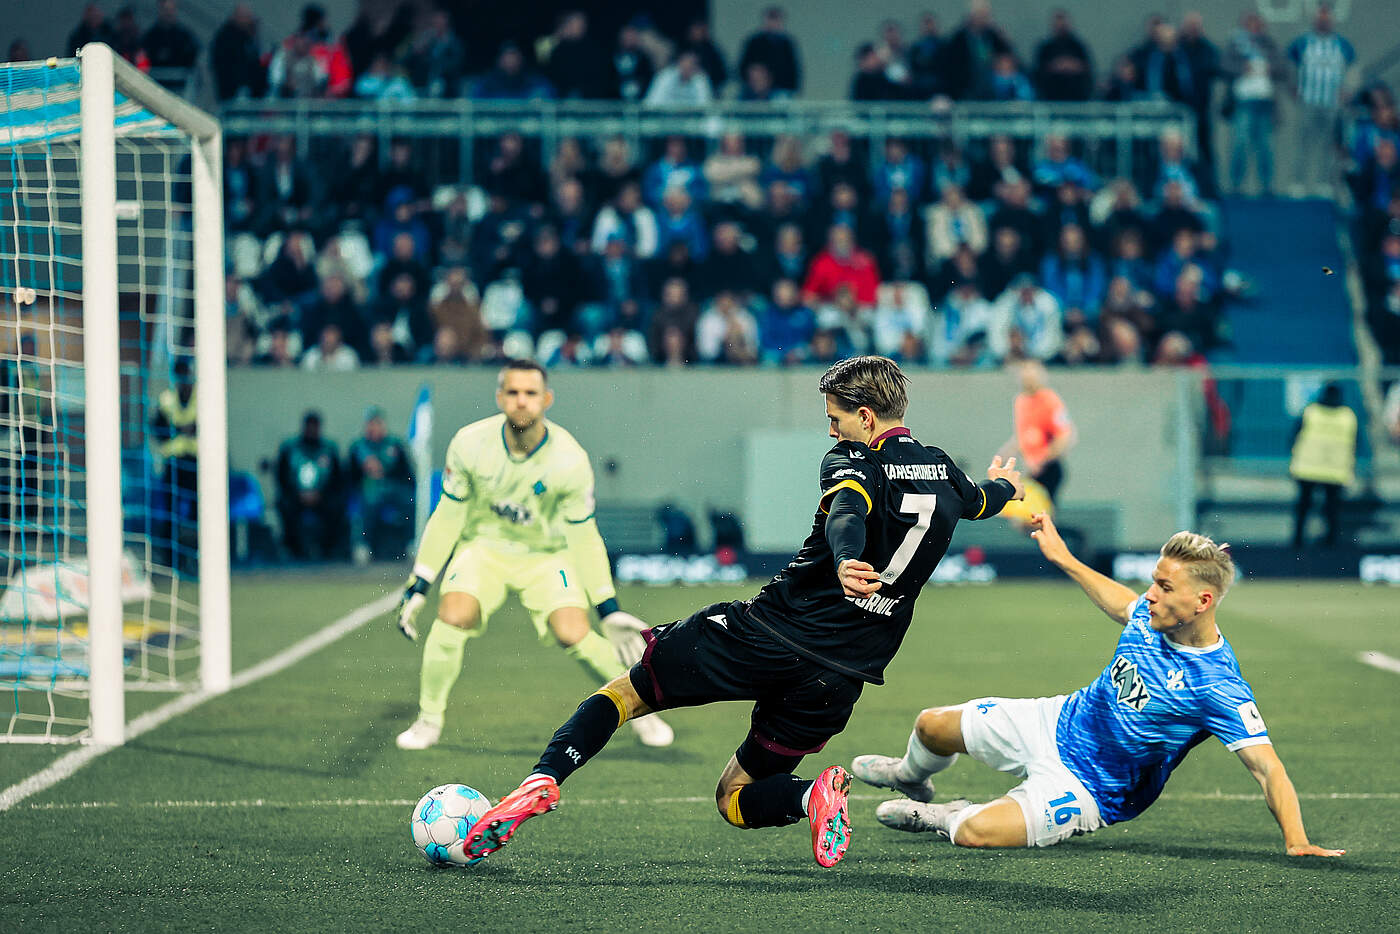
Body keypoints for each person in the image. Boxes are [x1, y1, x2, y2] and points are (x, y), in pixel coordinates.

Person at [458, 356, 1024, 868]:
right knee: (734, 796)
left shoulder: (853, 459)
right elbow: (981, 500)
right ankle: (810, 795)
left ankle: (544, 777)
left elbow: (847, 511)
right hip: (842, 675)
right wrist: (1006, 487)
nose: (831, 430)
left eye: (836, 418)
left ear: (866, 417)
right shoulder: (943, 470)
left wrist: (846, 558)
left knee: (626, 693)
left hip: (767, 635)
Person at [850, 514, 1345, 859]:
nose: (1150, 595)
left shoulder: (1217, 686)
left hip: (1091, 789)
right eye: (1153, 581)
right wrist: (1063, 557)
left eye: (1164, 587)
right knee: (931, 726)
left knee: (975, 832)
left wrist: (1296, 840)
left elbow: (1268, 769)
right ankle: (909, 775)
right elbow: (1119, 601)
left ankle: (940, 815)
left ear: (1203, 602)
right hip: (1055, 721)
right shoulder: (1151, 616)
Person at [391, 360, 674, 751]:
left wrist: (607, 608)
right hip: (484, 548)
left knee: (572, 632)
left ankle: (642, 710)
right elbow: (449, 514)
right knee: (454, 615)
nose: (521, 401)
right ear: (499, 397)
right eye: (513, 392)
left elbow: (584, 536)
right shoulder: (470, 444)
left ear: (546, 399)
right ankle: (428, 720)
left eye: (530, 393)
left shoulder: (569, 458)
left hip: (546, 554)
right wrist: (420, 582)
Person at [1287, 3, 1355, 196]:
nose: (1323, 21)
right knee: (1303, 143)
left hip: (1331, 103)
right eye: (1320, 18)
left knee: (1328, 145)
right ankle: (1297, 182)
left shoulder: (1342, 44)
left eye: (1326, 18)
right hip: (1309, 101)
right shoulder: (1303, 42)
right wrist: (1293, 87)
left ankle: (1323, 182)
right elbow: (1289, 65)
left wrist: (1347, 90)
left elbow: (1352, 69)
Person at [1289, 382, 1356, 549]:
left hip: (1307, 468)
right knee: (1332, 509)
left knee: (1304, 507)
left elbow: (1294, 436)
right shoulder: (1348, 416)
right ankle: (1330, 544)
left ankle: (1297, 542)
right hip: (1335, 470)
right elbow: (1355, 444)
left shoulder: (1311, 412)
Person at [998, 360, 1075, 502]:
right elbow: (1024, 434)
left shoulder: (1050, 400)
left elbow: (1064, 436)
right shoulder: (1021, 401)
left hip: (1047, 468)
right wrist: (1005, 454)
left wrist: (1042, 460)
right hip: (1032, 468)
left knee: (1039, 511)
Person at [346, 407, 414, 564]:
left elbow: (406, 473)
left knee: (409, 501)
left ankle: (411, 542)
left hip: (393, 487)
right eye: (371, 424)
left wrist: (386, 472)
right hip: (369, 488)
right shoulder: (359, 447)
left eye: (377, 424)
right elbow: (350, 474)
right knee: (368, 502)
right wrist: (364, 469)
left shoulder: (394, 445)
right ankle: (362, 544)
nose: (374, 428)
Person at [275, 411, 345, 559]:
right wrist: (298, 494)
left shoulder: (329, 449)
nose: (312, 430)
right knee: (285, 506)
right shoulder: (290, 448)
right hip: (296, 495)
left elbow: (337, 478)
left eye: (315, 426)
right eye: (309, 426)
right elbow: (281, 476)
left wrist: (320, 494)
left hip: (323, 496)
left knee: (336, 506)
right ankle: (293, 550)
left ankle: (329, 550)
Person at [150, 359, 198, 572]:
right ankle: (170, 558)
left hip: (197, 463)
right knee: (171, 512)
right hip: (174, 462)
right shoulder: (166, 400)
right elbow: (157, 429)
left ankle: (197, 555)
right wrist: (179, 430)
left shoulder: (203, 397)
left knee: (199, 512)